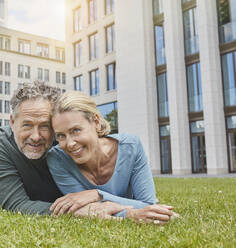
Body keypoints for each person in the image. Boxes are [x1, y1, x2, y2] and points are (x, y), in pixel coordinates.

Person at [0, 82, 128, 217]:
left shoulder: (68, 141)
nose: (36, 136)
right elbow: (17, 204)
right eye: (27, 125)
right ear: (12, 122)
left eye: (45, 126)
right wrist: (80, 212)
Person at [47, 91, 175, 224]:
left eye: (76, 130)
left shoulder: (131, 146)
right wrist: (132, 213)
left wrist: (97, 194)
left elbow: (149, 204)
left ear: (96, 122)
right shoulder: (57, 158)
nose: (70, 143)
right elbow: (83, 208)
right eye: (61, 135)